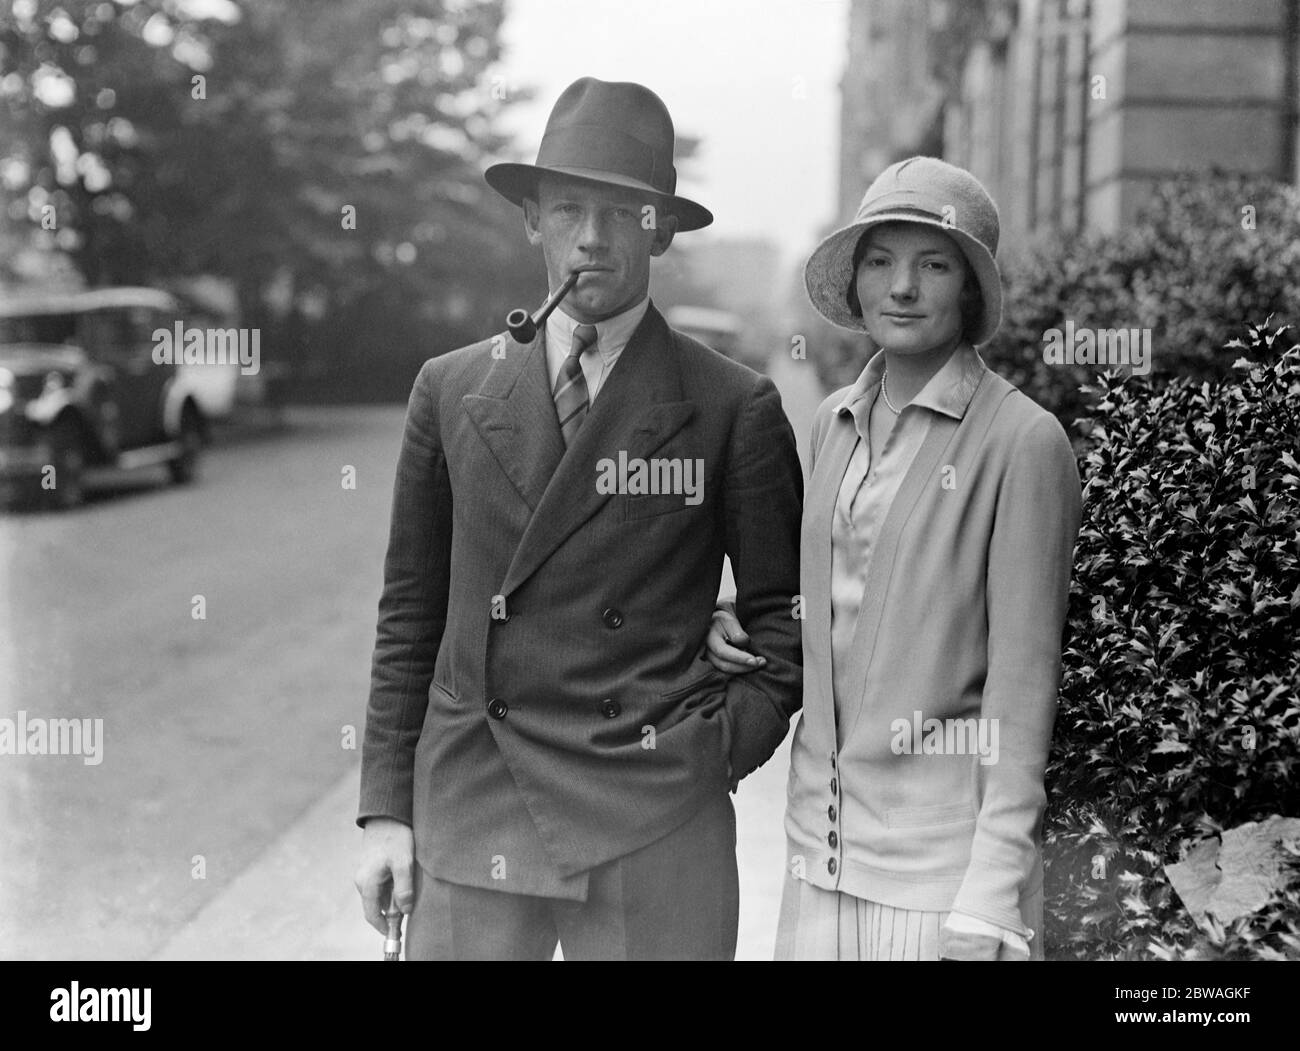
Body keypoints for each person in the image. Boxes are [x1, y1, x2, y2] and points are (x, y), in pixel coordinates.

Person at [353, 77, 804, 960]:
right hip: (475, 805)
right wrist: (384, 812)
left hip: (651, 826)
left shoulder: (731, 405)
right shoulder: (448, 389)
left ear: (661, 229)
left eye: (622, 213)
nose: (591, 239)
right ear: (531, 220)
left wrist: (698, 758)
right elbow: (410, 614)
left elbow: (784, 628)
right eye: (567, 210)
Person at [707, 157, 1082, 960]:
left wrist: (991, 890)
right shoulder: (834, 422)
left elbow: (1023, 689)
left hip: (939, 882)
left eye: (933, 263)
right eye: (881, 260)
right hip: (817, 852)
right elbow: (843, 598)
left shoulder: (1023, 442)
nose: (902, 286)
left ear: (970, 289)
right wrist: (725, 619)